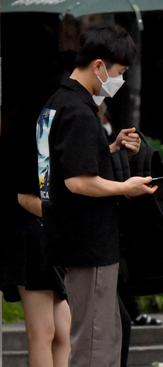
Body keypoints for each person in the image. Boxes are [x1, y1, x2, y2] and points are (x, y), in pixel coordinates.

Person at [36, 21, 157, 366]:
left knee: (104, 336)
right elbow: (77, 181)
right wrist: (125, 186)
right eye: (119, 72)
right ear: (99, 66)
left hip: (66, 238)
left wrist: (110, 148)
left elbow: (53, 174)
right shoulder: (78, 111)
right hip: (87, 244)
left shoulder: (55, 104)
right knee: (94, 344)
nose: (119, 80)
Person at [0, 101, 71, 367]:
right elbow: (25, 198)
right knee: (45, 331)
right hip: (28, 237)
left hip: (35, 235)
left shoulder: (31, 137)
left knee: (61, 330)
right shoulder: (26, 143)